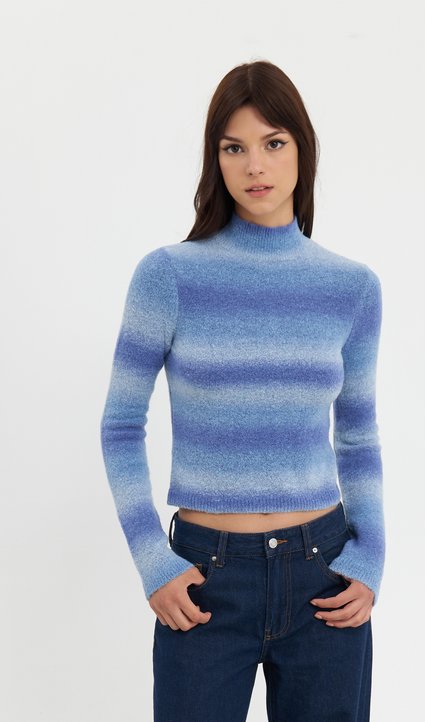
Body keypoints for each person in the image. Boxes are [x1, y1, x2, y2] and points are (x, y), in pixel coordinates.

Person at [100, 59, 385, 722]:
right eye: (234, 148)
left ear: (302, 150)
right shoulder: (169, 276)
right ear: (216, 160)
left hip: (324, 577)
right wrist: (152, 559)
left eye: (273, 143)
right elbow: (120, 426)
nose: (255, 165)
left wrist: (370, 555)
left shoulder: (352, 288)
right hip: (203, 580)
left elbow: (358, 434)